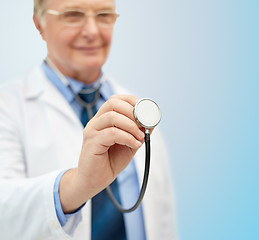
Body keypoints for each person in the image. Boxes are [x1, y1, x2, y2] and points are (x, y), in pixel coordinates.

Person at [0, 0, 177, 239]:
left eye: (104, 15)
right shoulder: (7, 107)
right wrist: (78, 185)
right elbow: (5, 210)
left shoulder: (140, 111)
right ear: (39, 23)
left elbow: (162, 217)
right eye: (73, 15)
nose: (92, 31)